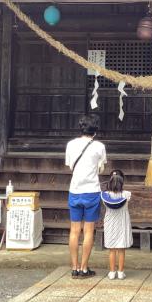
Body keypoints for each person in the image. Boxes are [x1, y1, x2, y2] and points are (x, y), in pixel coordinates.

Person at [65, 114, 106, 279]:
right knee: (89, 230)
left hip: (75, 190)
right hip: (91, 191)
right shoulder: (99, 146)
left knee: (74, 230)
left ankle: (74, 267)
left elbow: (70, 167)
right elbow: (101, 168)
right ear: (95, 130)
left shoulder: (71, 144)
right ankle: (84, 268)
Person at [101, 170, 133, 280]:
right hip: (122, 222)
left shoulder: (105, 196)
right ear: (122, 181)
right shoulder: (126, 194)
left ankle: (111, 272)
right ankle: (120, 272)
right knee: (121, 249)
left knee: (112, 249)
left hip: (110, 223)